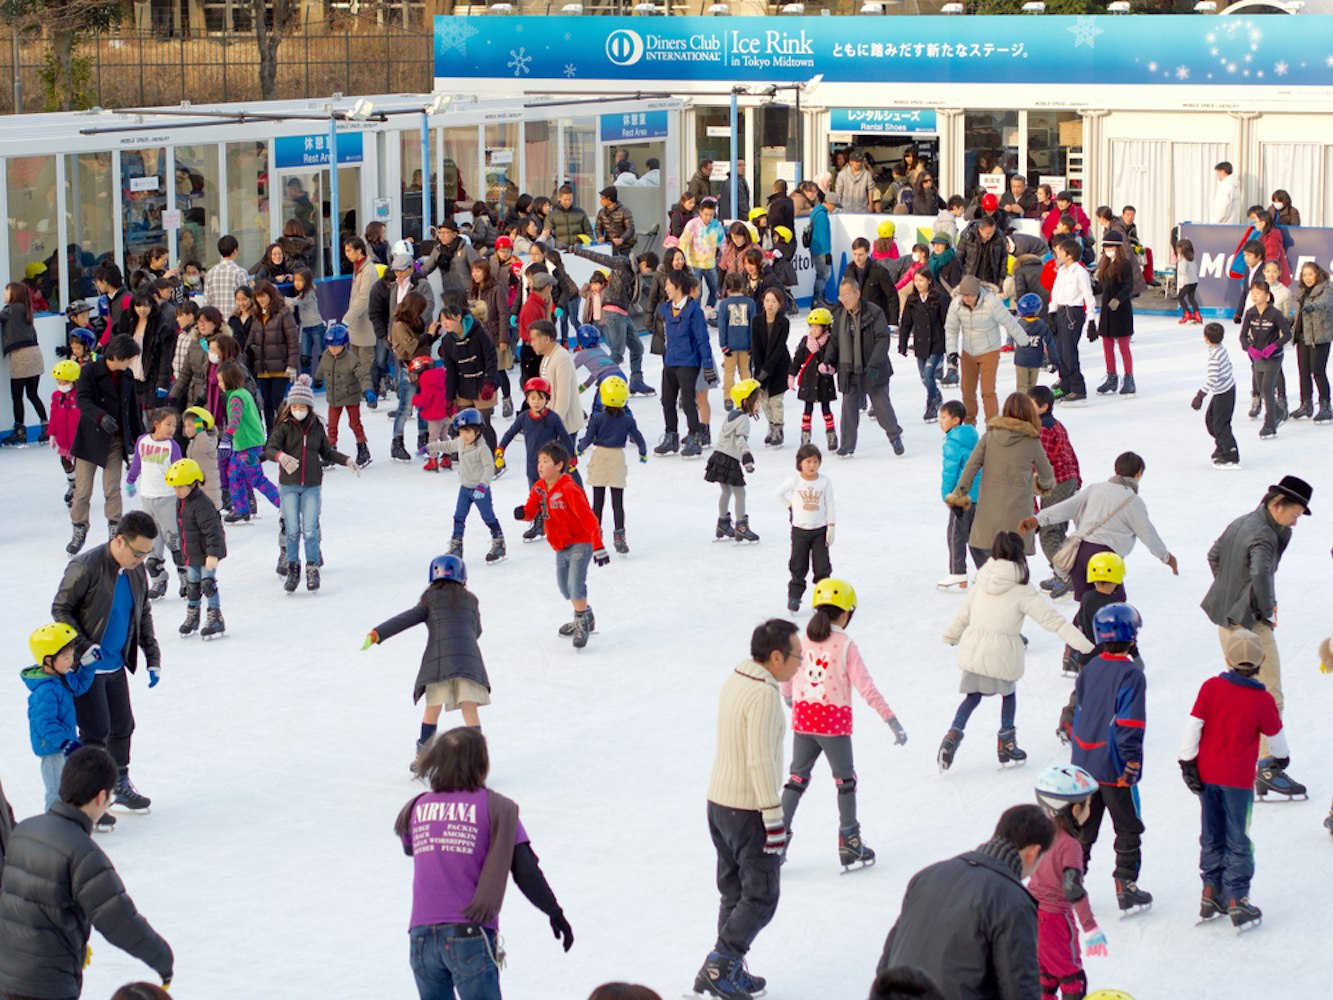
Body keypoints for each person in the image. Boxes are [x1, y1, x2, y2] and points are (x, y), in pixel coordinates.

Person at [393, 726, 572, 999]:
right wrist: (553, 911)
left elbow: (413, 849)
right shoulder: (496, 808)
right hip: (469, 934)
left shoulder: (417, 807)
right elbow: (525, 870)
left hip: (420, 937)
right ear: (481, 763)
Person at [0, 746, 173, 997]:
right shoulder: (83, 854)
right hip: (47, 985)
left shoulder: (24, 831)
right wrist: (162, 959)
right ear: (101, 797)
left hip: (6, 979)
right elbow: (120, 921)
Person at [693, 618, 801, 999]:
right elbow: (760, 761)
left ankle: (727, 967)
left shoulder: (737, 679)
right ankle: (721, 964)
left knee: (734, 892)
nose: (800, 663)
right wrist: (774, 819)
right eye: (796, 656)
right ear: (776, 657)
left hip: (719, 802)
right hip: (748, 809)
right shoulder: (764, 695)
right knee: (761, 896)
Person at [938, 531, 1093, 770]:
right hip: (1001, 654)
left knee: (973, 697)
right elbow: (1054, 622)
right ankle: (1006, 743)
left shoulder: (982, 579)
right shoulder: (1022, 588)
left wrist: (951, 635)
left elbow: (964, 613)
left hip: (975, 649)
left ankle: (953, 735)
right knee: (1008, 695)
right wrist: (1086, 646)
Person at [780, 577, 905, 871]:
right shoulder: (846, 645)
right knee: (845, 782)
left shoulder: (800, 640)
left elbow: (787, 675)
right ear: (846, 614)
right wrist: (891, 720)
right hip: (832, 723)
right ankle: (849, 842)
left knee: (796, 780)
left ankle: (776, 841)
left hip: (804, 719)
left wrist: (790, 699)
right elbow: (866, 687)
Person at [1201, 474, 1312, 799]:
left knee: (1240, 694)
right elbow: (1260, 573)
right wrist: (1265, 607)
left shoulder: (1242, 521)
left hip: (1227, 621)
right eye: (1294, 514)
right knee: (1269, 694)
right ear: (1277, 505)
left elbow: (1213, 555)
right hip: (1249, 625)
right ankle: (1267, 767)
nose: (1295, 521)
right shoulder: (1264, 535)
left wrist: (1228, 590)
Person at [877, 804, 1054, 999]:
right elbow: (1020, 990)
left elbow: (887, 962)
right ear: (1033, 853)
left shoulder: (927, 876)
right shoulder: (1012, 901)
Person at [1179, 628, 1287, 931]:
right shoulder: (1262, 699)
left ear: (1226, 658)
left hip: (1207, 775)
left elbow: (1193, 727)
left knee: (1211, 833)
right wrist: (1281, 758)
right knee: (1238, 836)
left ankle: (1210, 891)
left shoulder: (1211, 687)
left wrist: (1187, 762)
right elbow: (1276, 739)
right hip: (1238, 782)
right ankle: (1237, 898)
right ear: (1262, 660)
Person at [1069, 603, 1153, 916]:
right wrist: (1130, 764)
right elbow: (1129, 723)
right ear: (1132, 638)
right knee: (1128, 827)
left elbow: (1080, 712)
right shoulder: (1131, 674)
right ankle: (1125, 885)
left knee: (1084, 829)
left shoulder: (1090, 668)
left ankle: (1071, 880)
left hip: (1085, 765)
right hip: (1114, 767)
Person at [1020, 451, 1177, 602]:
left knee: (1087, 608)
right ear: (1139, 473)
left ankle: (1081, 629)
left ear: (1116, 469)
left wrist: (1037, 519)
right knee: (1113, 608)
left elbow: (1066, 507)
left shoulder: (1095, 489)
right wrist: (1167, 558)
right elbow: (1148, 534)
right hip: (1105, 560)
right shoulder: (1133, 501)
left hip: (1079, 555)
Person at [513, 442, 608, 649]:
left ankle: (581, 623)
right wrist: (523, 514)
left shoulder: (569, 488)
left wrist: (598, 545)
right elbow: (531, 511)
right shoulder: (539, 488)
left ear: (559, 465)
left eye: (545, 461)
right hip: (559, 544)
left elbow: (589, 518)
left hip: (580, 542)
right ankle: (585, 614)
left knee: (575, 586)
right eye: (539, 461)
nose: (540, 466)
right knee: (565, 589)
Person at [265, 376, 357, 593]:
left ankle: (312, 568)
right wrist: (280, 456)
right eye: (294, 406)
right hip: (288, 485)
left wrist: (346, 460)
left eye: (302, 406)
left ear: (309, 406)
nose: (298, 409)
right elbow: (269, 448)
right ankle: (293, 567)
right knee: (292, 530)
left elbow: (326, 451)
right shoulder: (285, 427)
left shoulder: (316, 427)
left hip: (312, 486)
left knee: (310, 529)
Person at [948, 392, 1054, 569]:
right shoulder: (1031, 441)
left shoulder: (990, 437)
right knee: (1015, 566)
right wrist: (1040, 486)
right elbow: (1047, 475)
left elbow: (971, 467)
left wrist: (959, 495)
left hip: (988, 512)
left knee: (990, 564)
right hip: (1018, 514)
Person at [1029, 765, 1106, 1000]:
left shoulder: (1039, 832)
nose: (1090, 808)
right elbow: (1072, 887)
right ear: (1074, 809)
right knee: (1073, 980)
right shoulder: (1069, 845)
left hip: (1029, 913)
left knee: (1045, 975)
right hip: (1055, 920)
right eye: (1088, 803)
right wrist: (1090, 926)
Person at [66, 335, 145, 556]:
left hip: (115, 440)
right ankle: (79, 527)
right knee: (82, 490)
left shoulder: (127, 376)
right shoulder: (90, 371)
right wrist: (100, 417)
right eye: (128, 359)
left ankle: (115, 530)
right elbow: (83, 400)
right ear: (119, 356)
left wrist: (139, 441)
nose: (130, 364)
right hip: (91, 438)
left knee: (112, 489)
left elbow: (132, 410)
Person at [827, 275, 904, 458]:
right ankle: (847, 445)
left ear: (857, 293)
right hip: (849, 368)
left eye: (847, 295)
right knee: (848, 407)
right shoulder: (839, 315)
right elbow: (834, 341)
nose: (844, 300)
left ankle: (894, 436)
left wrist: (874, 364)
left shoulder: (874, 312)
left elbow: (882, 339)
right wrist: (828, 360)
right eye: (841, 296)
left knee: (881, 406)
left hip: (873, 368)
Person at [23, 622, 95, 811]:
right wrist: (64, 742)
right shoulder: (44, 690)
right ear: (48, 661)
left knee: (69, 788)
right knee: (56, 792)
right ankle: (53, 830)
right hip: (53, 748)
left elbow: (79, 686)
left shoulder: (62, 676)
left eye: (71, 656)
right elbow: (44, 723)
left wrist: (87, 666)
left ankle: (67, 823)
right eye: (65, 658)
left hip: (65, 742)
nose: (70, 661)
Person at [945, 275, 1029, 426]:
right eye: (963, 295)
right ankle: (969, 424)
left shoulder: (991, 302)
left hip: (990, 350)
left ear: (977, 293)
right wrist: (952, 351)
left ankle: (993, 424)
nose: (966, 298)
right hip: (968, 351)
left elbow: (1009, 322)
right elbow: (951, 329)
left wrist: (1024, 342)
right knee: (967, 391)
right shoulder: (956, 304)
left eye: (969, 295)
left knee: (987, 390)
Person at [576, 376, 646, 557]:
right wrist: (643, 451)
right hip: (617, 457)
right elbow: (637, 437)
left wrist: (581, 448)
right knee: (617, 502)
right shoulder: (628, 420)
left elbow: (589, 436)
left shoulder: (598, 418)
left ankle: (594, 534)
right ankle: (620, 536)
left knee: (598, 501)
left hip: (600, 455)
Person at [1026, 386, 1082, 597]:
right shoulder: (1056, 425)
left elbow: (1039, 462)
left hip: (1057, 483)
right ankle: (1064, 573)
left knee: (1049, 531)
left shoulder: (1042, 429)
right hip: (1066, 480)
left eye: (1031, 405)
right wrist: (1077, 479)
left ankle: (1067, 575)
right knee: (1057, 530)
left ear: (1043, 407)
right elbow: (1070, 453)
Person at [654, 269, 714, 458]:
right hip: (670, 361)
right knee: (667, 400)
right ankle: (671, 435)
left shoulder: (693, 310)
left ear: (678, 286)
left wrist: (708, 366)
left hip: (688, 362)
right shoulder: (665, 308)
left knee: (689, 402)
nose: (666, 288)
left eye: (668, 284)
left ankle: (695, 436)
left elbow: (702, 339)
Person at [436, 408, 507, 565]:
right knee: (459, 517)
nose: (464, 435)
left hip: (480, 490)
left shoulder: (482, 449)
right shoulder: (461, 443)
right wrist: (429, 448)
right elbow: (447, 446)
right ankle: (456, 546)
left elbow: (489, 468)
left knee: (488, 517)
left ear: (478, 431)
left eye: (468, 431)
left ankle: (499, 542)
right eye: (461, 431)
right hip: (465, 489)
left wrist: (483, 485)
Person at [125, 407, 182, 601]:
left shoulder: (172, 446)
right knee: (152, 541)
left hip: (168, 498)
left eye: (174, 425)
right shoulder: (143, 441)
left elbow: (179, 469)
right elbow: (137, 464)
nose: (172, 429)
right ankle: (158, 580)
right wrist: (130, 481)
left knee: (174, 541)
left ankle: (186, 580)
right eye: (168, 424)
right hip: (147, 497)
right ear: (156, 424)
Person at [167, 456, 227, 640]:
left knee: (207, 584)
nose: (177, 491)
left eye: (181, 486)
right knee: (192, 587)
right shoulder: (182, 501)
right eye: (175, 487)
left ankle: (215, 617)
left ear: (193, 483)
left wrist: (212, 554)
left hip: (207, 553)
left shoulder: (202, 504)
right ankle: (193, 617)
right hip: (192, 554)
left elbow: (213, 531)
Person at [218, 361, 280, 525]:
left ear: (229, 380)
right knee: (234, 475)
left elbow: (236, 418)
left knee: (257, 478)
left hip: (248, 446)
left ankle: (285, 505)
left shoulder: (236, 397)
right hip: (242, 445)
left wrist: (227, 436)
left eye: (220, 381)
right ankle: (241, 508)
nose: (219, 385)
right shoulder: (241, 393)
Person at [776, 443, 835, 612]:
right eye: (808, 462)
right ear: (800, 463)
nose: (812, 465)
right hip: (800, 531)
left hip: (820, 530)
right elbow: (778, 494)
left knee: (822, 566)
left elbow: (830, 504)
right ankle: (795, 595)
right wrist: (791, 507)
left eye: (815, 462)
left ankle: (824, 599)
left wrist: (831, 526)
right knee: (798, 564)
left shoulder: (824, 482)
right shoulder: (795, 480)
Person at [1238, 278, 1292, 440]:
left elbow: (1287, 334)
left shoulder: (1274, 313)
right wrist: (1250, 348)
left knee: (1267, 388)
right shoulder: (1250, 313)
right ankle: (1279, 411)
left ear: (1267, 296)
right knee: (1261, 389)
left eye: (1258, 293)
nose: (1254, 296)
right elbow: (1242, 336)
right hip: (1258, 357)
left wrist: (1274, 346)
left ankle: (1270, 424)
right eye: (1252, 293)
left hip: (1273, 357)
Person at [315, 322, 375, 468]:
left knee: (354, 423)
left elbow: (363, 375)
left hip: (350, 396)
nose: (333, 349)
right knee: (332, 425)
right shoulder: (326, 356)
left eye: (336, 346)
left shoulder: (351, 359)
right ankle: (330, 451)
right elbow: (321, 368)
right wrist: (317, 379)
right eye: (330, 346)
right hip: (334, 398)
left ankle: (363, 449)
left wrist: (367, 389)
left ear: (344, 345)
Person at [898, 269, 949, 423]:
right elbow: (906, 323)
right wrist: (903, 344)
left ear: (929, 281)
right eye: (916, 280)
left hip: (937, 342)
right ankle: (936, 394)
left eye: (921, 280)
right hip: (921, 344)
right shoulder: (912, 300)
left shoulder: (940, 298)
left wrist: (949, 344)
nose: (918, 283)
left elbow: (947, 323)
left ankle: (932, 402)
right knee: (924, 378)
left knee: (928, 374)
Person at [1, 282, 47, 445]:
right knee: (33, 394)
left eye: (7, 291)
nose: (4, 294)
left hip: (21, 356)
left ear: (14, 294)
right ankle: (45, 426)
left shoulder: (10, 310)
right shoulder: (26, 309)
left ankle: (20, 431)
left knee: (17, 396)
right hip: (35, 354)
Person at [789, 306, 839, 452]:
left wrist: (830, 369)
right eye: (812, 326)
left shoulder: (830, 342)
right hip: (808, 382)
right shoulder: (806, 341)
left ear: (825, 327)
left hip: (824, 383)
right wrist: (791, 375)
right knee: (807, 409)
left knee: (826, 409)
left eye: (817, 327)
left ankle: (831, 434)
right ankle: (805, 436)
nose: (814, 330)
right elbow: (797, 360)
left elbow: (835, 360)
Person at [1192, 322, 1240, 468]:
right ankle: (1221, 446)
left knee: (1220, 425)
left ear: (1205, 338)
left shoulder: (1215, 356)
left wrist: (1200, 395)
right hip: (1224, 390)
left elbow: (1213, 379)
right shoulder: (1220, 349)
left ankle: (1230, 453)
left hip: (1224, 393)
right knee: (1211, 420)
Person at [1289, 261, 1332, 423]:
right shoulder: (1302, 292)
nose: (1307, 278)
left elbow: (1326, 304)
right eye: (1304, 274)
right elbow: (1300, 314)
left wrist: (1312, 307)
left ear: (1317, 274)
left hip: (1319, 337)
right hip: (1302, 336)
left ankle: (1326, 405)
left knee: (1318, 372)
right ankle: (1306, 404)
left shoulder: (1327, 288)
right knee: (1303, 372)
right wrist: (1290, 320)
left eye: (1310, 274)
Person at [750, 286, 790, 449]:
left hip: (779, 366)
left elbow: (779, 348)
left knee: (776, 401)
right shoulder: (757, 321)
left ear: (780, 304)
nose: (770, 305)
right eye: (767, 301)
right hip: (761, 367)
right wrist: (760, 372)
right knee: (765, 401)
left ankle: (778, 429)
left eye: (774, 301)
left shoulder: (784, 323)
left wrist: (768, 369)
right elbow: (756, 347)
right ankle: (771, 426)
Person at [203, 234, 251, 312]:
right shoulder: (240, 273)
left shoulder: (210, 273)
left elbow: (206, 302)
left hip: (216, 320)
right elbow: (246, 299)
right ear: (235, 251)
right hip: (235, 319)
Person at [595, 186, 636, 253]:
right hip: (608, 246)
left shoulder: (625, 211)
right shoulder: (601, 212)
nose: (601, 201)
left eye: (603, 198)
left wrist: (621, 239)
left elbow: (630, 229)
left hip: (623, 247)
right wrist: (600, 236)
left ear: (609, 199)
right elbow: (598, 228)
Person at [1213, 161, 1242, 226]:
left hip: (1223, 225)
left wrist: (1215, 222)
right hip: (1233, 223)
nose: (1217, 176)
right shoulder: (1235, 186)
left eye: (1218, 173)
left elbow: (1223, 206)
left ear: (1223, 172)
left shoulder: (1226, 186)